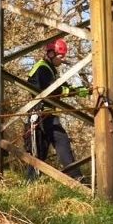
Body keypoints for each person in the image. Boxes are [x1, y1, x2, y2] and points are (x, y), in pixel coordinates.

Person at [24, 37, 87, 182]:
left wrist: (80, 90)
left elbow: (62, 86)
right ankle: (76, 177)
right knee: (57, 143)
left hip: (45, 115)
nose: (62, 60)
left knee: (40, 152)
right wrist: (73, 91)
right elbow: (52, 90)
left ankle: (30, 183)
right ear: (51, 54)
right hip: (41, 114)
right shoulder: (42, 68)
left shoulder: (50, 69)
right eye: (60, 57)